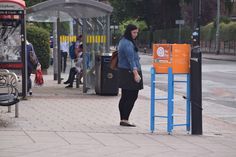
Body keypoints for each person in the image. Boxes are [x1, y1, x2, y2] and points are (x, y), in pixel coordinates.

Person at [117, 24, 143, 127]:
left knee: (125, 96)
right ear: (129, 32)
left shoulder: (123, 41)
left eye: (137, 32)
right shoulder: (127, 43)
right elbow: (131, 60)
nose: (136, 34)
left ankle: (123, 119)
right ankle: (125, 119)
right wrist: (136, 74)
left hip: (124, 72)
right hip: (130, 72)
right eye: (134, 32)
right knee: (132, 96)